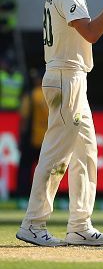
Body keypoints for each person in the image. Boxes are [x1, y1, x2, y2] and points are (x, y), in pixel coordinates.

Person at [16, 0, 103, 247]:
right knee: (57, 152)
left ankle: (80, 225)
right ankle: (33, 223)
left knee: (87, 153)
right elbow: (91, 33)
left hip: (69, 77)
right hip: (67, 78)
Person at [17, 69, 47, 197]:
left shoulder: (31, 96)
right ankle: (43, 195)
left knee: (25, 168)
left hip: (32, 139)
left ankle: (23, 194)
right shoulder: (53, 95)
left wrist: (21, 138)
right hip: (47, 139)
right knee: (45, 171)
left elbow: (24, 118)